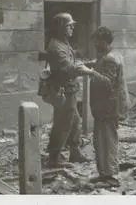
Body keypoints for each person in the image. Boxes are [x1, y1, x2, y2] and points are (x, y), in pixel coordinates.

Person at [84, 26, 130, 187]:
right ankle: (104, 174)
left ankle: (111, 177)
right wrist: (90, 65)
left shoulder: (110, 58)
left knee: (108, 140)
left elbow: (108, 82)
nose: (95, 44)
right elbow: (101, 65)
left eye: (97, 41)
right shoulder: (109, 55)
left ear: (104, 41)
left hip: (109, 107)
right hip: (104, 107)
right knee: (100, 140)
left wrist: (89, 72)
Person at [46, 12, 93, 168]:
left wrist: (87, 63)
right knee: (63, 123)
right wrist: (89, 70)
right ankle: (54, 158)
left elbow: (73, 61)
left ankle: (75, 152)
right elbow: (69, 68)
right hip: (63, 91)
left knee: (75, 121)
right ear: (60, 28)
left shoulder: (63, 43)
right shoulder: (56, 46)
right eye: (69, 25)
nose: (72, 27)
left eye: (72, 25)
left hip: (69, 90)